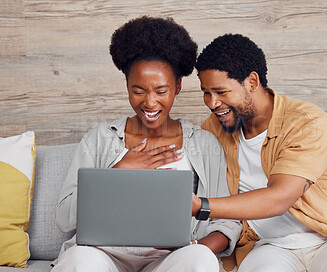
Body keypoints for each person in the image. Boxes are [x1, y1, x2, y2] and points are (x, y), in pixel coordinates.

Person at [52, 17, 241, 272]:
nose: (150, 103)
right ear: (127, 86)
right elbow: (64, 218)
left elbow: (227, 222)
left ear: (177, 86)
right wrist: (118, 172)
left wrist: (196, 246)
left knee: (201, 259)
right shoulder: (99, 138)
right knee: (79, 261)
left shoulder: (204, 142)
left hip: (170, 259)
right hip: (104, 256)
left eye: (161, 91)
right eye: (138, 91)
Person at [192, 33, 327, 272]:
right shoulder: (211, 130)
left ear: (252, 82)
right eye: (206, 93)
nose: (212, 103)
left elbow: (279, 198)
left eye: (221, 92)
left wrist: (200, 205)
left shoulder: (306, 122)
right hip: (265, 246)